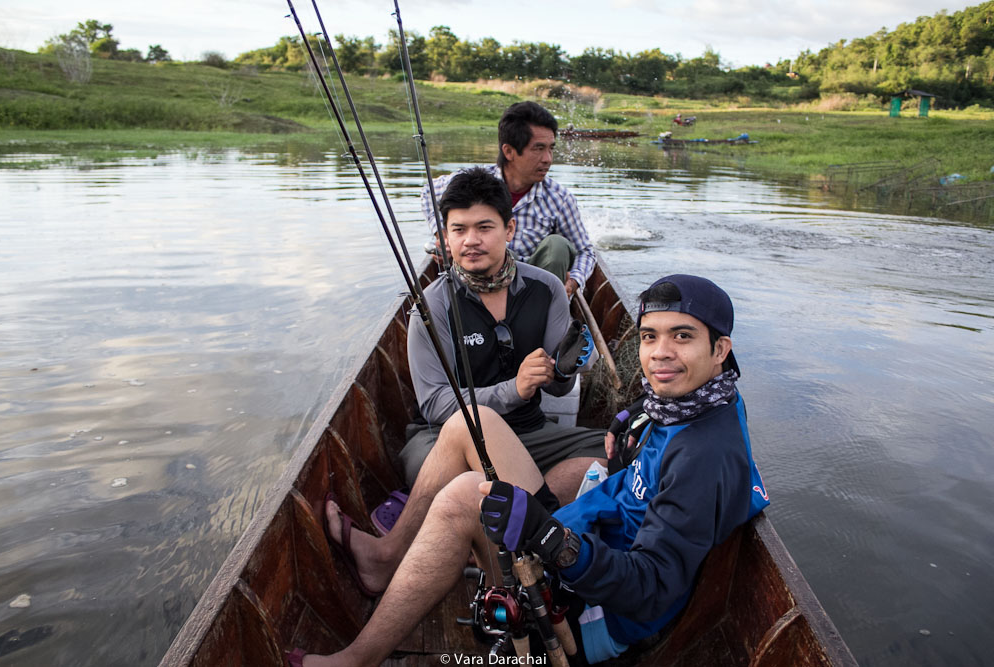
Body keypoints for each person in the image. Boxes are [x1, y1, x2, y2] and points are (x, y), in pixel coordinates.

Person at [293, 273, 769, 667]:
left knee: (464, 497)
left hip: (594, 615)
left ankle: (355, 659)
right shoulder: (700, 402)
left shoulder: (703, 457)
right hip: (601, 539)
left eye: (682, 337)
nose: (660, 353)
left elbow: (649, 592)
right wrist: (635, 426)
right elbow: (647, 474)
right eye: (650, 336)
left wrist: (550, 540)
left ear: (720, 348)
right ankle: (388, 557)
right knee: (471, 423)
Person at [403, 166, 604, 502]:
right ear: (445, 238)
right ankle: (536, 510)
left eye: (484, 227)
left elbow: (558, 388)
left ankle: (520, 512)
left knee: (614, 449)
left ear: (509, 229)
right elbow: (435, 403)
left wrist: (566, 369)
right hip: (451, 441)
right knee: (441, 475)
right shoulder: (432, 304)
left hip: (530, 432)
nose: (471, 240)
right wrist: (514, 389)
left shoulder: (547, 288)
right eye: (459, 230)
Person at [422, 101, 595, 299]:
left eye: (550, 149)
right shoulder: (475, 183)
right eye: (538, 149)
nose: (548, 158)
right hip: (478, 288)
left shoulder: (559, 199)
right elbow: (429, 191)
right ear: (509, 151)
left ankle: (543, 318)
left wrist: (572, 284)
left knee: (557, 245)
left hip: (532, 294)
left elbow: (585, 252)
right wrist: (442, 235)